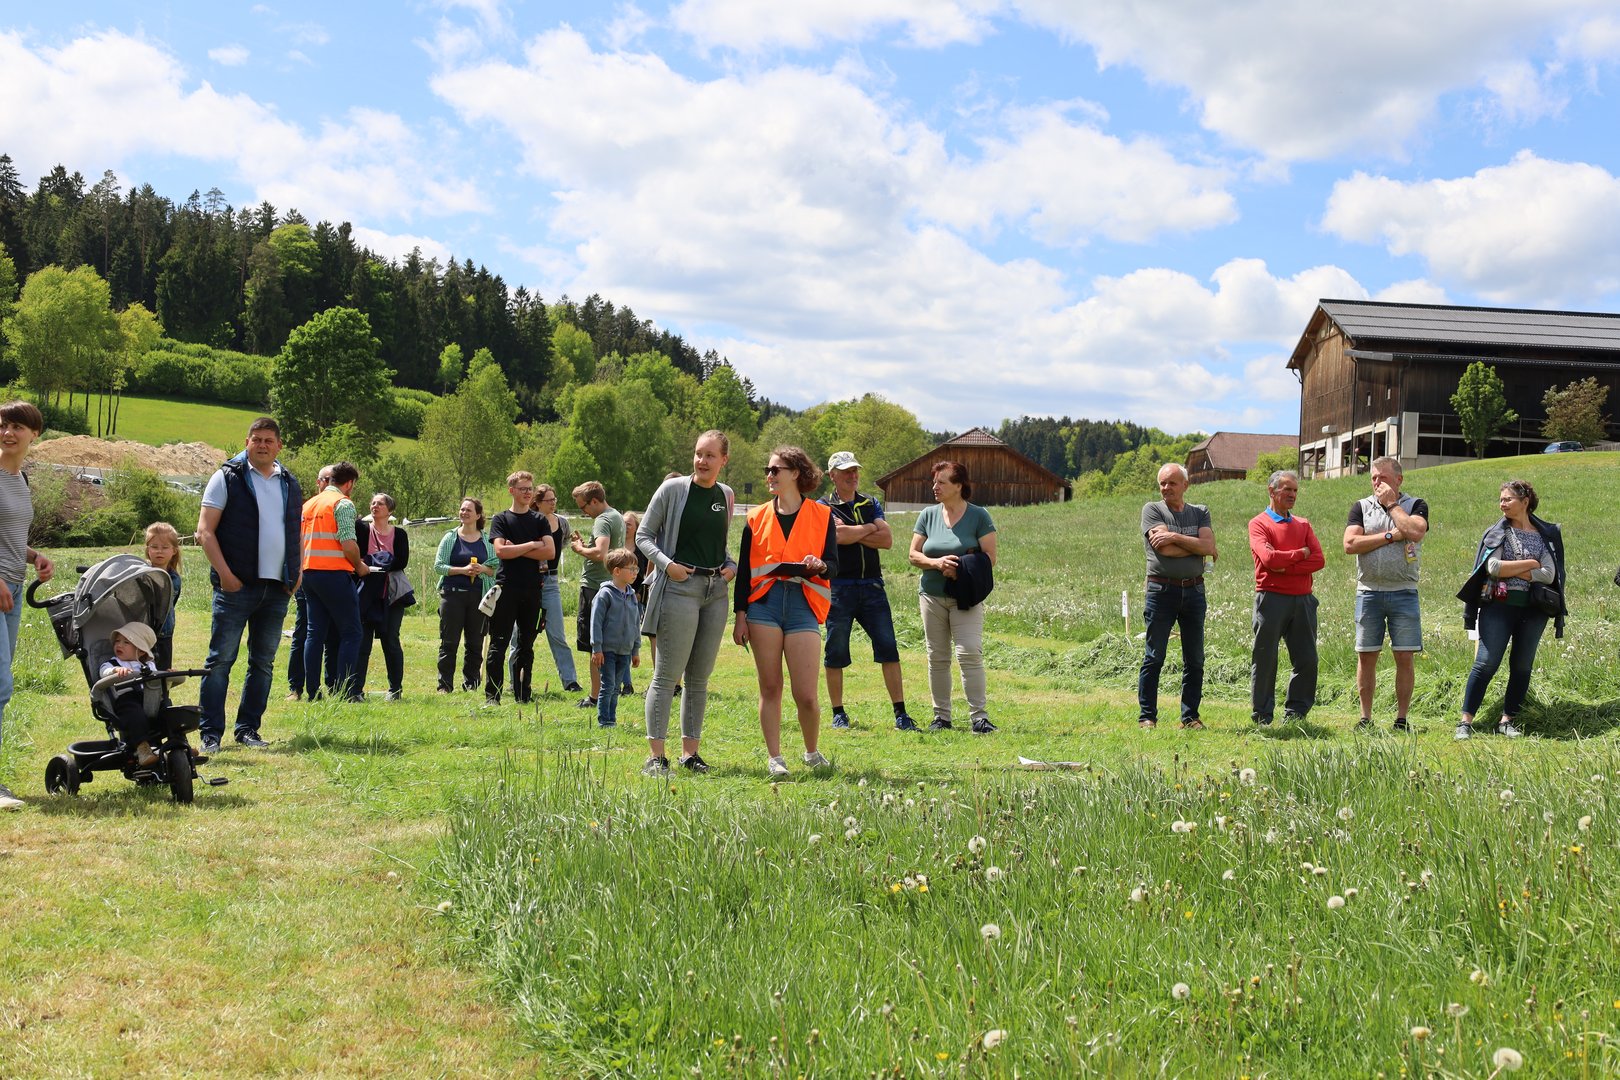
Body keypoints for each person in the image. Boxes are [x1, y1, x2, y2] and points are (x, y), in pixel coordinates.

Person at [195, 417, 302, 752]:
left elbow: (295, 531)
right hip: (235, 587)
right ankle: (210, 734)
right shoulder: (226, 477)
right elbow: (204, 531)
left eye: (269, 440)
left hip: (277, 588)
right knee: (220, 661)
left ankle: (248, 730)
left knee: (263, 663)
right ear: (247, 442)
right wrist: (226, 575)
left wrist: (297, 573)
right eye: (256, 439)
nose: (262, 445)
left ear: (279, 445)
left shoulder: (289, 482)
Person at [636, 430, 738, 776]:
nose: (701, 461)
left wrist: (731, 566)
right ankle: (656, 757)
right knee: (667, 676)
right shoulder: (672, 490)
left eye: (710, 455)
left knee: (699, 679)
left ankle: (690, 754)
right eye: (698, 454)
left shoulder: (726, 495)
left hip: (715, 592)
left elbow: (719, 544)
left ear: (724, 460)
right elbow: (643, 536)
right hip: (678, 589)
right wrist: (668, 566)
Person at [735, 446, 839, 777]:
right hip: (763, 605)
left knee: (806, 694)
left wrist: (821, 565)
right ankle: (775, 758)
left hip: (802, 603)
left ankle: (811, 752)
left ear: (795, 473)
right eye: (767, 470)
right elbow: (744, 571)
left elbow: (834, 564)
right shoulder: (755, 517)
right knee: (770, 687)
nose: (769, 475)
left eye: (775, 470)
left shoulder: (822, 515)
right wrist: (740, 615)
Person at [1456, 480, 1565, 741]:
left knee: (1522, 665)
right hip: (1498, 607)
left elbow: (1550, 574)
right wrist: (1531, 563)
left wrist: (1515, 569)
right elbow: (1494, 567)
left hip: (1534, 610)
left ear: (1525, 502)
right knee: (1486, 662)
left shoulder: (1545, 535)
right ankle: (1465, 722)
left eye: (1508, 499)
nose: (1502, 504)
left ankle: (1507, 720)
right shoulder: (1498, 532)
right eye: (1501, 499)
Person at [820, 451, 917, 731]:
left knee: (888, 648)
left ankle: (901, 714)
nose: (852, 476)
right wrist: (870, 527)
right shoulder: (822, 506)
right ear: (832, 476)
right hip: (838, 588)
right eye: (845, 471)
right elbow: (837, 537)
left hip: (873, 586)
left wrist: (855, 531)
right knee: (836, 650)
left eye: (855, 470)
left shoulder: (870, 502)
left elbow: (886, 540)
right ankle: (838, 713)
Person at [908, 460, 998, 734]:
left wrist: (960, 568)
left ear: (959, 486)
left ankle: (979, 718)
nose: (935, 487)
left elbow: (990, 559)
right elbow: (913, 555)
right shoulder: (927, 515)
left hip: (965, 597)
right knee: (937, 657)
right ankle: (941, 717)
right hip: (931, 596)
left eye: (941, 482)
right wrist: (936, 564)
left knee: (969, 652)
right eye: (934, 482)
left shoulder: (979, 516)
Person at [1342, 455, 1429, 732]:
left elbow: (1415, 531)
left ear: (1399, 479)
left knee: (1404, 657)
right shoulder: (1361, 507)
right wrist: (1390, 536)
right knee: (1366, 656)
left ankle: (1401, 719)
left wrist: (1391, 505)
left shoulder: (1415, 505)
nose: (1377, 482)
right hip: (1368, 592)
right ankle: (1365, 718)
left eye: (1383, 477)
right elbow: (1350, 544)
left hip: (1404, 592)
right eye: (1374, 478)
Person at [0, 400, 55, 810]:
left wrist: (33, 556)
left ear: (35, 433)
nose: (8, 432)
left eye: (17, 426)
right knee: (0, 686)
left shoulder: (19, 478)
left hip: (14, 590)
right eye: (3, 425)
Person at [1138, 462, 1216, 731]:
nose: (1166, 488)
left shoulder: (1200, 511)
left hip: (1194, 591)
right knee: (1154, 656)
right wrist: (1197, 547)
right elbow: (1165, 551)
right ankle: (1147, 717)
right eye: (1162, 483)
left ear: (1185, 485)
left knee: (1195, 659)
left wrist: (1173, 536)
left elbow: (1208, 545)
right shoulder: (1152, 510)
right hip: (1161, 591)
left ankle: (1190, 717)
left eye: (1171, 483)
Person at [1247, 469, 1326, 726]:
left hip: (1303, 600)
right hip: (1271, 599)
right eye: (1287, 489)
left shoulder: (1303, 524)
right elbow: (1268, 559)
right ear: (1272, 491)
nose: (1292, 494)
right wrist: (1300, 554)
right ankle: (1262, 715)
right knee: (1265, 658)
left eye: (1295, 490)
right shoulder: (1259, 524)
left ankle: (1296, 714)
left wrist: (1286, 566)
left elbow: (1319, 560)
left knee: (1307, 659)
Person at [299, 460, 370, 701]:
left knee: (314, 634)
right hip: (334, 573)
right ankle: (347, 692)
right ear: (349, 483)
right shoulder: (343, 503)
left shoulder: (309, 504)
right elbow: (348, 543)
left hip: (309, 573)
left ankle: (312, 692)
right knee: (352, 633)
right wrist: (360, 566)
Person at [484, 471, 553, 706]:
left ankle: (523, 695)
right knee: (499, 643)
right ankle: (493, 697)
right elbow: (501, 552)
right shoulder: (501, 519)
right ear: (511, 490)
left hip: (533, 589)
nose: (527, 493)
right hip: (507, 589)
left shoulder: (540, 520)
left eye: (530, 488)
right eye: (523, 488)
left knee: (526, 645)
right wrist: (533, 544)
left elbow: (550, 551)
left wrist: (518, 549)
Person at [570, 481, 625, 710]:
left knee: (595, 645)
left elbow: (601, 553)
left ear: (594, 501)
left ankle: (594, 697)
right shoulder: (616, 516)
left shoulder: (602, 520)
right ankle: (609, 691)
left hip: (594, 587)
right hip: (611, 585)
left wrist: (579, 549)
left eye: (584, 507)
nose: (584, 512)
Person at [434, 497, 496, 692]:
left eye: (469, 510)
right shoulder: (450, 538)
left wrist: (482, 569)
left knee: (475, 643)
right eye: (462, 509)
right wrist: (463, 570)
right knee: (449, 642)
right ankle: (444, 685)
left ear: (478, 515)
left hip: (478, 596)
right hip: (452, 596)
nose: (464, 513)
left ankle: (471, 684)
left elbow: (495, 568)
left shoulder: (487, 541)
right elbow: (439, 566)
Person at [354, 492, 411, 700]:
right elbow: (355, 555)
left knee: (390, 639)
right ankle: (356, 690)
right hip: (366, 592)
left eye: (380, 503)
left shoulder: (400, 534)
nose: (375, 506)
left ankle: (395, 689)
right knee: (363, 641)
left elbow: (401, 561)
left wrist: (372, 561)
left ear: (390, 510)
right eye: (373, 503)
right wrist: (382, 560)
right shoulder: (362, 529)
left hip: (392, 592)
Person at [287, 465, 335, 701]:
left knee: (332, 634)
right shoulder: (306, 508)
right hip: (307, 577)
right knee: (303, 632)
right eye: (328, 479)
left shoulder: (340, 506)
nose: (331, 484)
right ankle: (296, 687)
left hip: (332, 578)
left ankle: (333, 685)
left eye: (335, 479)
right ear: (319, 482)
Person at [533, 484, 583, 695]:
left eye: (554, 499)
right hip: (530, 581)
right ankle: (516, 680)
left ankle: (570, 681)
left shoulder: (562, 522)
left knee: (557, 634)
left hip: (551, 581)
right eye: (549, 500)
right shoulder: (530, 521)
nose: (553, 503)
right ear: (538, 503)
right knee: (521, 635)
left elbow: (561, 546)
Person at [99, 622, 163, 767]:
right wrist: (115, 671)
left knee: (166, 706)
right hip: (126, 700)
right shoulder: (113, 663)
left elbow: (158, 681)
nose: (119, 645)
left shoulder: (149, 665)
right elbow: (103, 671)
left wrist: (167, 675)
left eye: (126, 642)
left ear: (141, 651)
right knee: (134, 711)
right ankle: (142, 749)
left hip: (149, 699)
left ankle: (177, 742)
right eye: (117, 641)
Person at [590, 548, 642, 728]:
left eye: (636, 569)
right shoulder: (605, 594)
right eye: (631, 569)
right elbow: (596, 623)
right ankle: (605, 721)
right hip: (607, 650)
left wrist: (635, 650)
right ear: (617, 571)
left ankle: (611, 718)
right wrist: (597, 648)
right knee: (608, 685)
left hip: (625, 651)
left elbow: (635, 624)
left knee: (616, 687)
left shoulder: (632, 596)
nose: (635, 573)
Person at [144, 521, 183, 671]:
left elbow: (171, 604)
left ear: (174, 550)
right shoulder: (141, 574)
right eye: (154, 547)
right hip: (142, 632)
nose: (159, 551)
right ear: (148, 549)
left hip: (164, 634)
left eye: (165, 547)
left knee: (163, 672)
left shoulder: (175, 579)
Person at [620, 510, 646, 696]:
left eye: (629, 524)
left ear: (636, 527)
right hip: (616, 598)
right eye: (623, 523)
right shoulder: (616, 546)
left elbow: (645, 574)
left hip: (635, 600)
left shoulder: (642, 548)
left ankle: (626, 682)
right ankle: (626, 683)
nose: (626, 527)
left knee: (630, 640)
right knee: (619, 640)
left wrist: (638, 594)